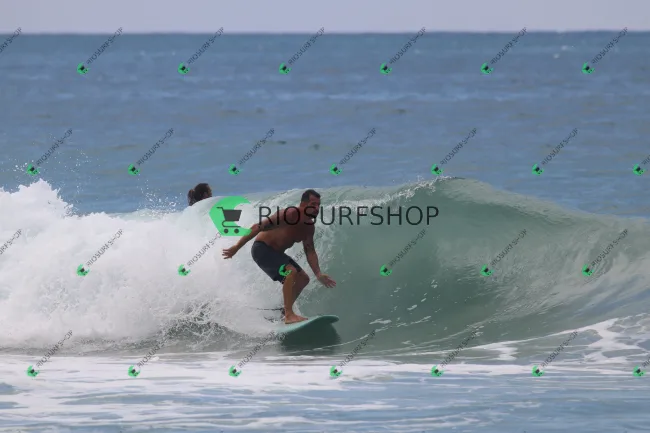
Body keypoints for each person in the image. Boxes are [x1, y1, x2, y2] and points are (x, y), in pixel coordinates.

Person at [221, 189, 336, 324]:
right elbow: (257, 227)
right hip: (261, 249)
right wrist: (236, 247)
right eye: (313, 204)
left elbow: (310, 251)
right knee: (290, 271)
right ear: (303, 204)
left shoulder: (309, 227)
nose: (316, 208)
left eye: (318, 205)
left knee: (303, 279)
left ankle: (283, 312)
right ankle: (289, 314)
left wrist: (318, 274)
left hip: (277, 254)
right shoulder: (288, 215)